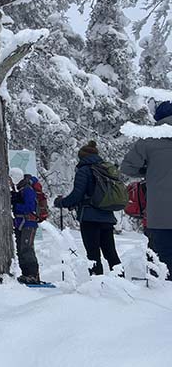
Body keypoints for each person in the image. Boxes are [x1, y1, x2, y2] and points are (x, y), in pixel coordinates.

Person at [122, 101, 172, 279]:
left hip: (160, 216)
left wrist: (147, 171)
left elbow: (127, 168)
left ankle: (160, 296)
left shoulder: (149, 141)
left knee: (161, 261)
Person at [54, 141, 121, 276]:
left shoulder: (84, 170)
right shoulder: (105, 169)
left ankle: (97, 284)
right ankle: (121, 281)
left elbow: (77, 194)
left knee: (93, 254)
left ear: (81, 157)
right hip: (107, 216)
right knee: (110, 252)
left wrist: (61, 202)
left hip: (89, 217)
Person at [10, 168, 41, 284]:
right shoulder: (20, 189)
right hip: (21, 223)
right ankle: (26, 273)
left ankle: (33, 274)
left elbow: (30, 207)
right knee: (20, 249)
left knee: (27, 248)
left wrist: (16, 205)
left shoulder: (27, 190)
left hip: (28, 223)